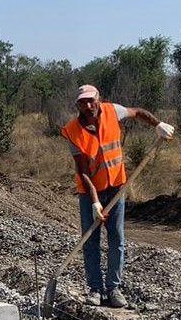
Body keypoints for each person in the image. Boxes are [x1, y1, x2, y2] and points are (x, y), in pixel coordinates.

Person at [61, 85, 174, 308]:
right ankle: (95, 289)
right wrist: (94, 201)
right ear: (78, 105)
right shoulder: (73, 131)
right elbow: (82, 171)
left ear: (98, 98)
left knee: (117, 239)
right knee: (90, 241)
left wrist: (157, 124)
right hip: (89, 193)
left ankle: (113, 289)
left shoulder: (113, 111)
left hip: (117, 188)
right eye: (83, 102)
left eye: (91, 100)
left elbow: (138, 112)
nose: (88, 106)